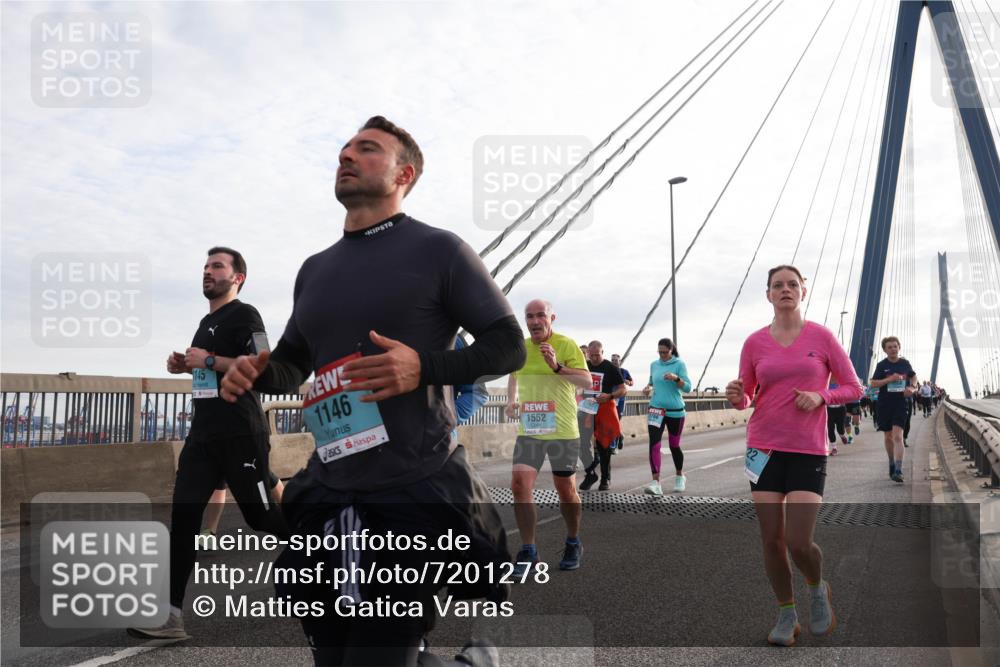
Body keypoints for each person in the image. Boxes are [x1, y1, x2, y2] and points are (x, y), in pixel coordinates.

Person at [221, 116, 525, 666]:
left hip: (408, 488)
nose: (347, 156)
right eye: (343, 149)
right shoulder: (315, 270)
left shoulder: (440, 250)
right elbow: (292, 364)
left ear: (404, 173)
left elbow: (508, 346)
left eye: (366, 149)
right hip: (330, 493)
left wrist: (424, 367)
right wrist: (257, 372)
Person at [129, 247, 288, 640]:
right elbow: (207, 372)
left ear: (238, 278)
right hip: (203, 436)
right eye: (205, 266)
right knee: (182, 520)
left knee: (261, 519)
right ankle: (170, 617)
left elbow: (264, 367)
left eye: (217, 266)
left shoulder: (246, 315)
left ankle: (332, 547)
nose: (207, 272)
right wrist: (186, 365)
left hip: (240, 432)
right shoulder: (205, 322)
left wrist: (209, 360)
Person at [725, 265, 863, 647]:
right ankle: (787, 613)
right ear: (768, 294)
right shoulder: (754, 342)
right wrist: (737, 396)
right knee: (772, 540)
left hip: (806, 449)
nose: (784, 290)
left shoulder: (822, 337)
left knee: (799, 542)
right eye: (777, 286)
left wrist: (822, 395)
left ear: (804, 292)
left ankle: (818, 589)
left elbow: (854, 387)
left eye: (792, 284)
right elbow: (746, 396)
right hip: (764, 447)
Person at [505, 299, 592, 574]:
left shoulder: (566, 345)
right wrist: (511, 400)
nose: (534, 321)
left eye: (540, 315)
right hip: (531, 429)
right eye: (529, 316)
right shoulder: (521, 348)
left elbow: (586, 381)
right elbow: (514, 375)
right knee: (519, 485)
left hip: (563, 429)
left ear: (551, 317)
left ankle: (573, 540)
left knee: (565, 489)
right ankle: (528, 550)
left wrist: (557, 367)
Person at [641, 338, 691, 495]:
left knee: (674, 446)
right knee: (654, 445)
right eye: (660, 352)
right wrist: (648, 388)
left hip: (675, 411)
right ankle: (656, 482)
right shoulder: (654, 365)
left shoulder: (679, 364)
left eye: (665, 352)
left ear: (671, 351)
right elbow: (651, 382)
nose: (662, 355)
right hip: (656, 410)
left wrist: (676, 378)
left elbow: (688, 388)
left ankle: (679, 476)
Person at [578, 341, 625, 491]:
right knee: (581, 444)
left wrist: (610, 396)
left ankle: (605, 479)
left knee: (603, 446)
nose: (594, 358)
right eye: (591, 355)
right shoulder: (584, 366)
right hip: (586, 410)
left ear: (602, 352)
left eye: (597, 355)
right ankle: (590, 472)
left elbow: (623, 389)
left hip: (604, 409)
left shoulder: (610, 368)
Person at [871, 336, 917, 483]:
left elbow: (913, 376)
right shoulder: (881, 365)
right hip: (885, 404)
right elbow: (873, 383)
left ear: (899, 347)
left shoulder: (905, 363)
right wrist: (889, 380)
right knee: (888, 437)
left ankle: (898, 469)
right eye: (889, 347)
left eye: (895, 346)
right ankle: (891, 462)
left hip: (901, 403)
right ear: (885, 350)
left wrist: (912, 387)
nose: (893, 349)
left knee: (898, 436)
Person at [610, 353, 634, 452]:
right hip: (610, 399)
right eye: (613, 360)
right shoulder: (608, 371)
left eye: (616, 360)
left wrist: (627, 382)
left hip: (621, 400)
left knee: (617, 421)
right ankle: (613, 445)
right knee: (611, 422)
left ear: (620, 361)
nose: (614, 362)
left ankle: (619, 437)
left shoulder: (624, 372)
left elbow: (632, 382)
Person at [825, 383, 847, 455]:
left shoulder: (842, 382)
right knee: (830, 428)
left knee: (840, 428)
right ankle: (834, 448)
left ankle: (842, 435)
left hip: (840, 409)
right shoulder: (825, 383)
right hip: (829, 409)